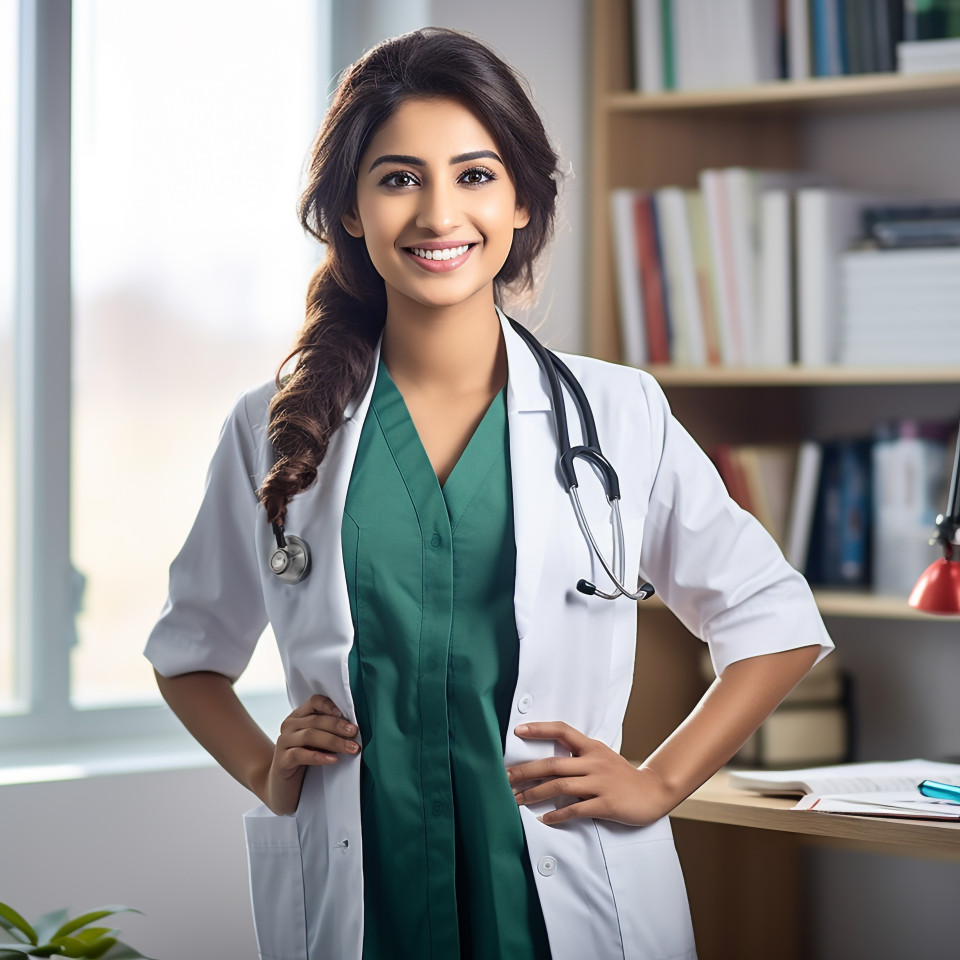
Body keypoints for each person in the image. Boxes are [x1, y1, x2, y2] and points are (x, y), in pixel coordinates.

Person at [144, 26, 833, 960]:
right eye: (398, 178)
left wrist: (661, 781)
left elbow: (774, 618)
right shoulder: (273, 426)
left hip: (562, 892)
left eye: (474, 175)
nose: (438, 214)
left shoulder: (619, 414)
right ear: (349, 209)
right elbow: (190, 652)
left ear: (520, 202)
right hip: (364, 893)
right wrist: (265, 768)